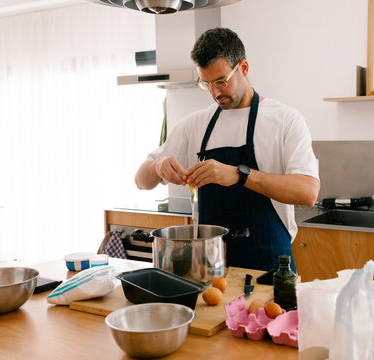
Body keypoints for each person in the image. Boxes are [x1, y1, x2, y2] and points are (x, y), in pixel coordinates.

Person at [135, 27, 319, 271]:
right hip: (210, 267)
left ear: (243, 68)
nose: (215, 92)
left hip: (269, 264)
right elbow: (141, 181)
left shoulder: (285, 120)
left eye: (221, 81)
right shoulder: (195, 124)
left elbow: (308, 192)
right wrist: (158, 166)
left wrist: (239, 175)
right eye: (206, 83)